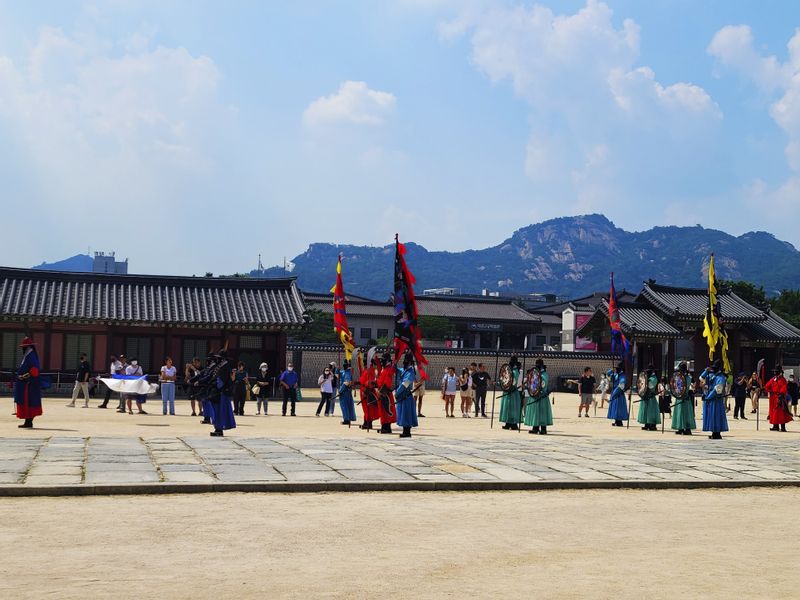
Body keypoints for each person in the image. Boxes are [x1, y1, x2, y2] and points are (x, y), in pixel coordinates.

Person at [14, 337, 42, 428]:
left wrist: (24, 376)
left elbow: (34, 370)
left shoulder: (31, 355)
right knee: (28, 403)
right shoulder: (28, 355)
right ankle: (28, 422)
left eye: (24, 347)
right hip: (26, 383)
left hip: (29, 384)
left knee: (30, 403)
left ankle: (29, 422)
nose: (22, 348)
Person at [700, 359, 729, 439]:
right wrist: (706, 371)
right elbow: (701, 378)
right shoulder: (712, 375)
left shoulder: (721, 377)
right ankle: (713, 432)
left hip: (716, 399)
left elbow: (718, 390)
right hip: (710, 398)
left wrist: (708, 397)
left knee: (716, 416)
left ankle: (717, 433)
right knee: (711, 416)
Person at [525, 358, 553, 434]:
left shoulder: (544, 375)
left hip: (542, 396)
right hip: (535, 395)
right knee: (535, 412)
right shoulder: (534, 374)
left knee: (542, 412)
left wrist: (538, 389)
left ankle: (543, 429)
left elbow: (543, 384)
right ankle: (535, 427)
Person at [395, 354, 419, 438]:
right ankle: (405, 431)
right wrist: (394, 364)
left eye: (406, 361)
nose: (405, 362)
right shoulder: (404, 370)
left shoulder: (411, 371)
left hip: (406, 395)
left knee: (406, 414)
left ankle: (407, 432)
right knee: (402, 413)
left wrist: (397, 392)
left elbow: (405, 384)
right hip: (402, 395)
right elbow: (398, 370)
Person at [764, 365, 792, 432]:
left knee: (781, 412)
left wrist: (781, 394)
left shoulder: (782, 379)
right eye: (774, 372)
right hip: (773, 397)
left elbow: (784, 387)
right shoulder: (773, 379)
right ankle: (775, 426)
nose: (775, 373)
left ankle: (783, 427)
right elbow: (767, 386)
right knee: (773, 412)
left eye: (776, 372)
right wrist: (767, 390)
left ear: (780, 372)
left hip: (780, 397)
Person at [670, 362, 696, 435]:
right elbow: (675, 386)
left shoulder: (689, 378)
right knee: (679, 413)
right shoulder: (678, 377)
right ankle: (680, 428)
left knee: (687, 413)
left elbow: (693, 384)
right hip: (679, 397)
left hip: (686, 398)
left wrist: (691, 390)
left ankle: (687, 428)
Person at [498, 357, 522, 431]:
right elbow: (503, 379)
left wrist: (508, 386)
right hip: (508, 390)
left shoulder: (515, 371)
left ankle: (514, 424)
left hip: (512, 391)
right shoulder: (508, 370)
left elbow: (514, 381)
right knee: (508, 408)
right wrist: (501, 384)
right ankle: (508, 423)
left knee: (512, 408)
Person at [376, 353, 397, 434]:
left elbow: (387, 383)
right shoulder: (384, 369)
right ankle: (384, 426)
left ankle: (386, 427)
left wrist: (380, 392)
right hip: (381, 393)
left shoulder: (388, 370)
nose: (381, 362)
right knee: (382, 411)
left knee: (386, 411)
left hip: (385, 394)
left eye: (383, 360)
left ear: (387, 361)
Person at [359, 356, 381, 430]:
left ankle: (368, 422)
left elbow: (370, 382)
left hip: (367, 391)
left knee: (369, 407)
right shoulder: (365, 370)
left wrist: (367, 387)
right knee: (365, 407)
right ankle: (366, 421)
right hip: (363, 390)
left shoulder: (370, 370)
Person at [637, 364, 660, 431]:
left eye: (650, 371)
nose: (648, 372)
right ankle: (646, 424)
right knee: (645, 411)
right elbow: (641, 385)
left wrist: (645, 381)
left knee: (651, 411)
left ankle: (652, 424)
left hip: (651, 397)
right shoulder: (646, 377)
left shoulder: (654, 378)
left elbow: (650, 386)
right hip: (645, 396)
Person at [338, 359, 357, 425]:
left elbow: (346, 382)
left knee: (344, 406)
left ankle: (346, 419)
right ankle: (347, 418)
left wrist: (341, 390)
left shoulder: (347, 373)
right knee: (346, 405)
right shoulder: (344, 372)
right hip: (346, 391)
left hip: (345, 391)